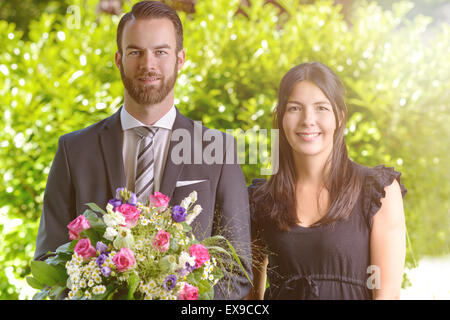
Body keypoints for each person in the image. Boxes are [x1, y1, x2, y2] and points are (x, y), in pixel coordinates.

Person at [34, 1, 252, 300]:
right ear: (118, 59)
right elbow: (48, 263)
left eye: (160, 52)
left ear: (180, 59)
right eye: (135, 52)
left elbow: (236, 271)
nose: (148, 65)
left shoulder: (219, 152)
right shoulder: (74, 151)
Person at [246, 62, 407, 300]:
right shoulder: (260, 200)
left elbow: (387, 295)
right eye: (294, 108)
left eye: (321, 108)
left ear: (339, 117)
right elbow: (250, 297)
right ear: (281, 118)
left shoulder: (378, 192)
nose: (307, 120)